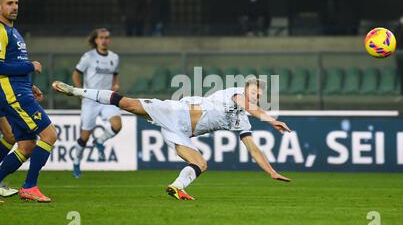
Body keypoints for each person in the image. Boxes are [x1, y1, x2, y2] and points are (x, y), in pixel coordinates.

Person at [52, 78, 292, 200]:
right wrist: (270, 120)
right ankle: (76, 91)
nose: (256, 96)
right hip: (175, 111)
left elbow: (253, 150)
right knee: (127, 104)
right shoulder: (235, 95)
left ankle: (177, 187)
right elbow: (246, 105)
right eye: (254, 92)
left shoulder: (244, 121)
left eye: (259, 94)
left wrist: (270, 171)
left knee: (200, 164)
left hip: (179, 132)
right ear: (245, 90)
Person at [0, 0, 57, 202]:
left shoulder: (14, 31)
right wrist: (30, 66)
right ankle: (30, 187)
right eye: (9, 3)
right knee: (49, 135)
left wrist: (30, 84)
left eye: (16, 3)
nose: (14, 7)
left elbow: (12, 65)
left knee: (27, 146)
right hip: (12, 94)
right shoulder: (1, 31)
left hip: (20, 89)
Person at [71, 28, 122, 178]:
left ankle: (99, 141)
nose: (104, 40)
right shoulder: (88, 57)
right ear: (96, 40)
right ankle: (76, 162)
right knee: (85, 136)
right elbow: (76, 74)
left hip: (106, 98)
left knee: (117, 125)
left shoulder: (114, 57)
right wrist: (79, 91)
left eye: (107, 37)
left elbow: (115, 75)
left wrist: (116, 85)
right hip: (90, 100)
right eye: (101, 37)